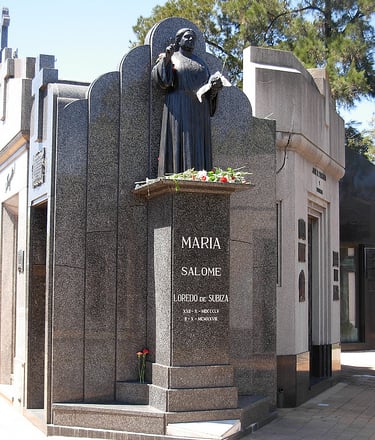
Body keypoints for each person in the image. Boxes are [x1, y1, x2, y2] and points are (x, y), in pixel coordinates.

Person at [152, 28, 222, 176]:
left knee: (198, 145)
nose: (190, 40)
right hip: (179, 105)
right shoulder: (172, 57)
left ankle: (201, 174)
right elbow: (163, 82)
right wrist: (166, 60)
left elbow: (208, 89)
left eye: (193, 38)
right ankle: (179, 173)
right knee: (179, 140)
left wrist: (214, 88)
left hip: (200, 109)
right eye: (187, 37)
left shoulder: (201, 63)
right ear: (179, 40)